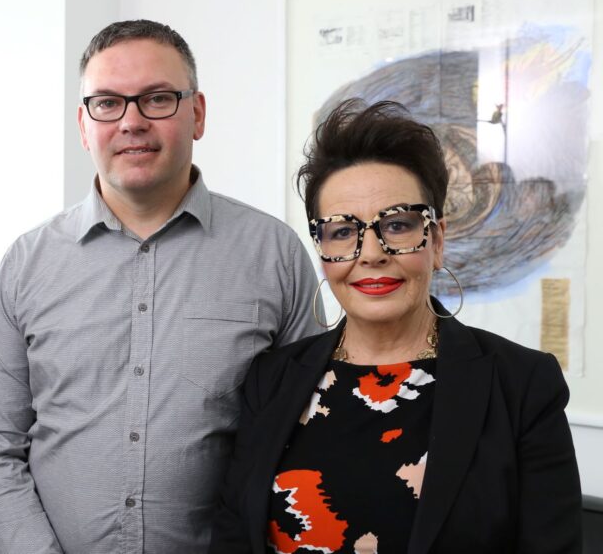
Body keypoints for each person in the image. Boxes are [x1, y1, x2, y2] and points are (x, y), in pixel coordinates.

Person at [0, 19, 322, 553]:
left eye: (157, 99)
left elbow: (305, 438)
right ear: (84, 126)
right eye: (107, 103)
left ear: (197, 113)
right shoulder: (25, 265)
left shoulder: (274, 254)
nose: (132, 122)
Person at [210, 99, 582, 553]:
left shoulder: (521, 384)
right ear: (322, 250)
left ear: (437, 240)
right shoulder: (270, 380)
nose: (371, 253)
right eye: (342, 231)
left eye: (398, 225)